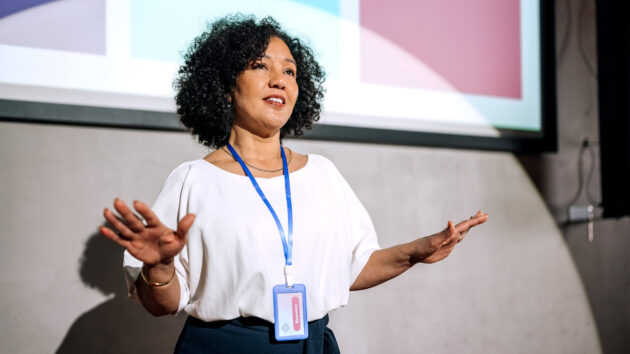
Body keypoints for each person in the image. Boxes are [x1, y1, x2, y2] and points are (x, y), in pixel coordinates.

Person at [100, 15, 488, 353]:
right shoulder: (193, 180)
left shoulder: (323, 174)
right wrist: (161, 268)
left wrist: (418, 251)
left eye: (289, 71)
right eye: (259, 66)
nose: (279, 80)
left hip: (314, 344)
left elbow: (352, 267)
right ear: (224, 85)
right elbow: (162, 304)